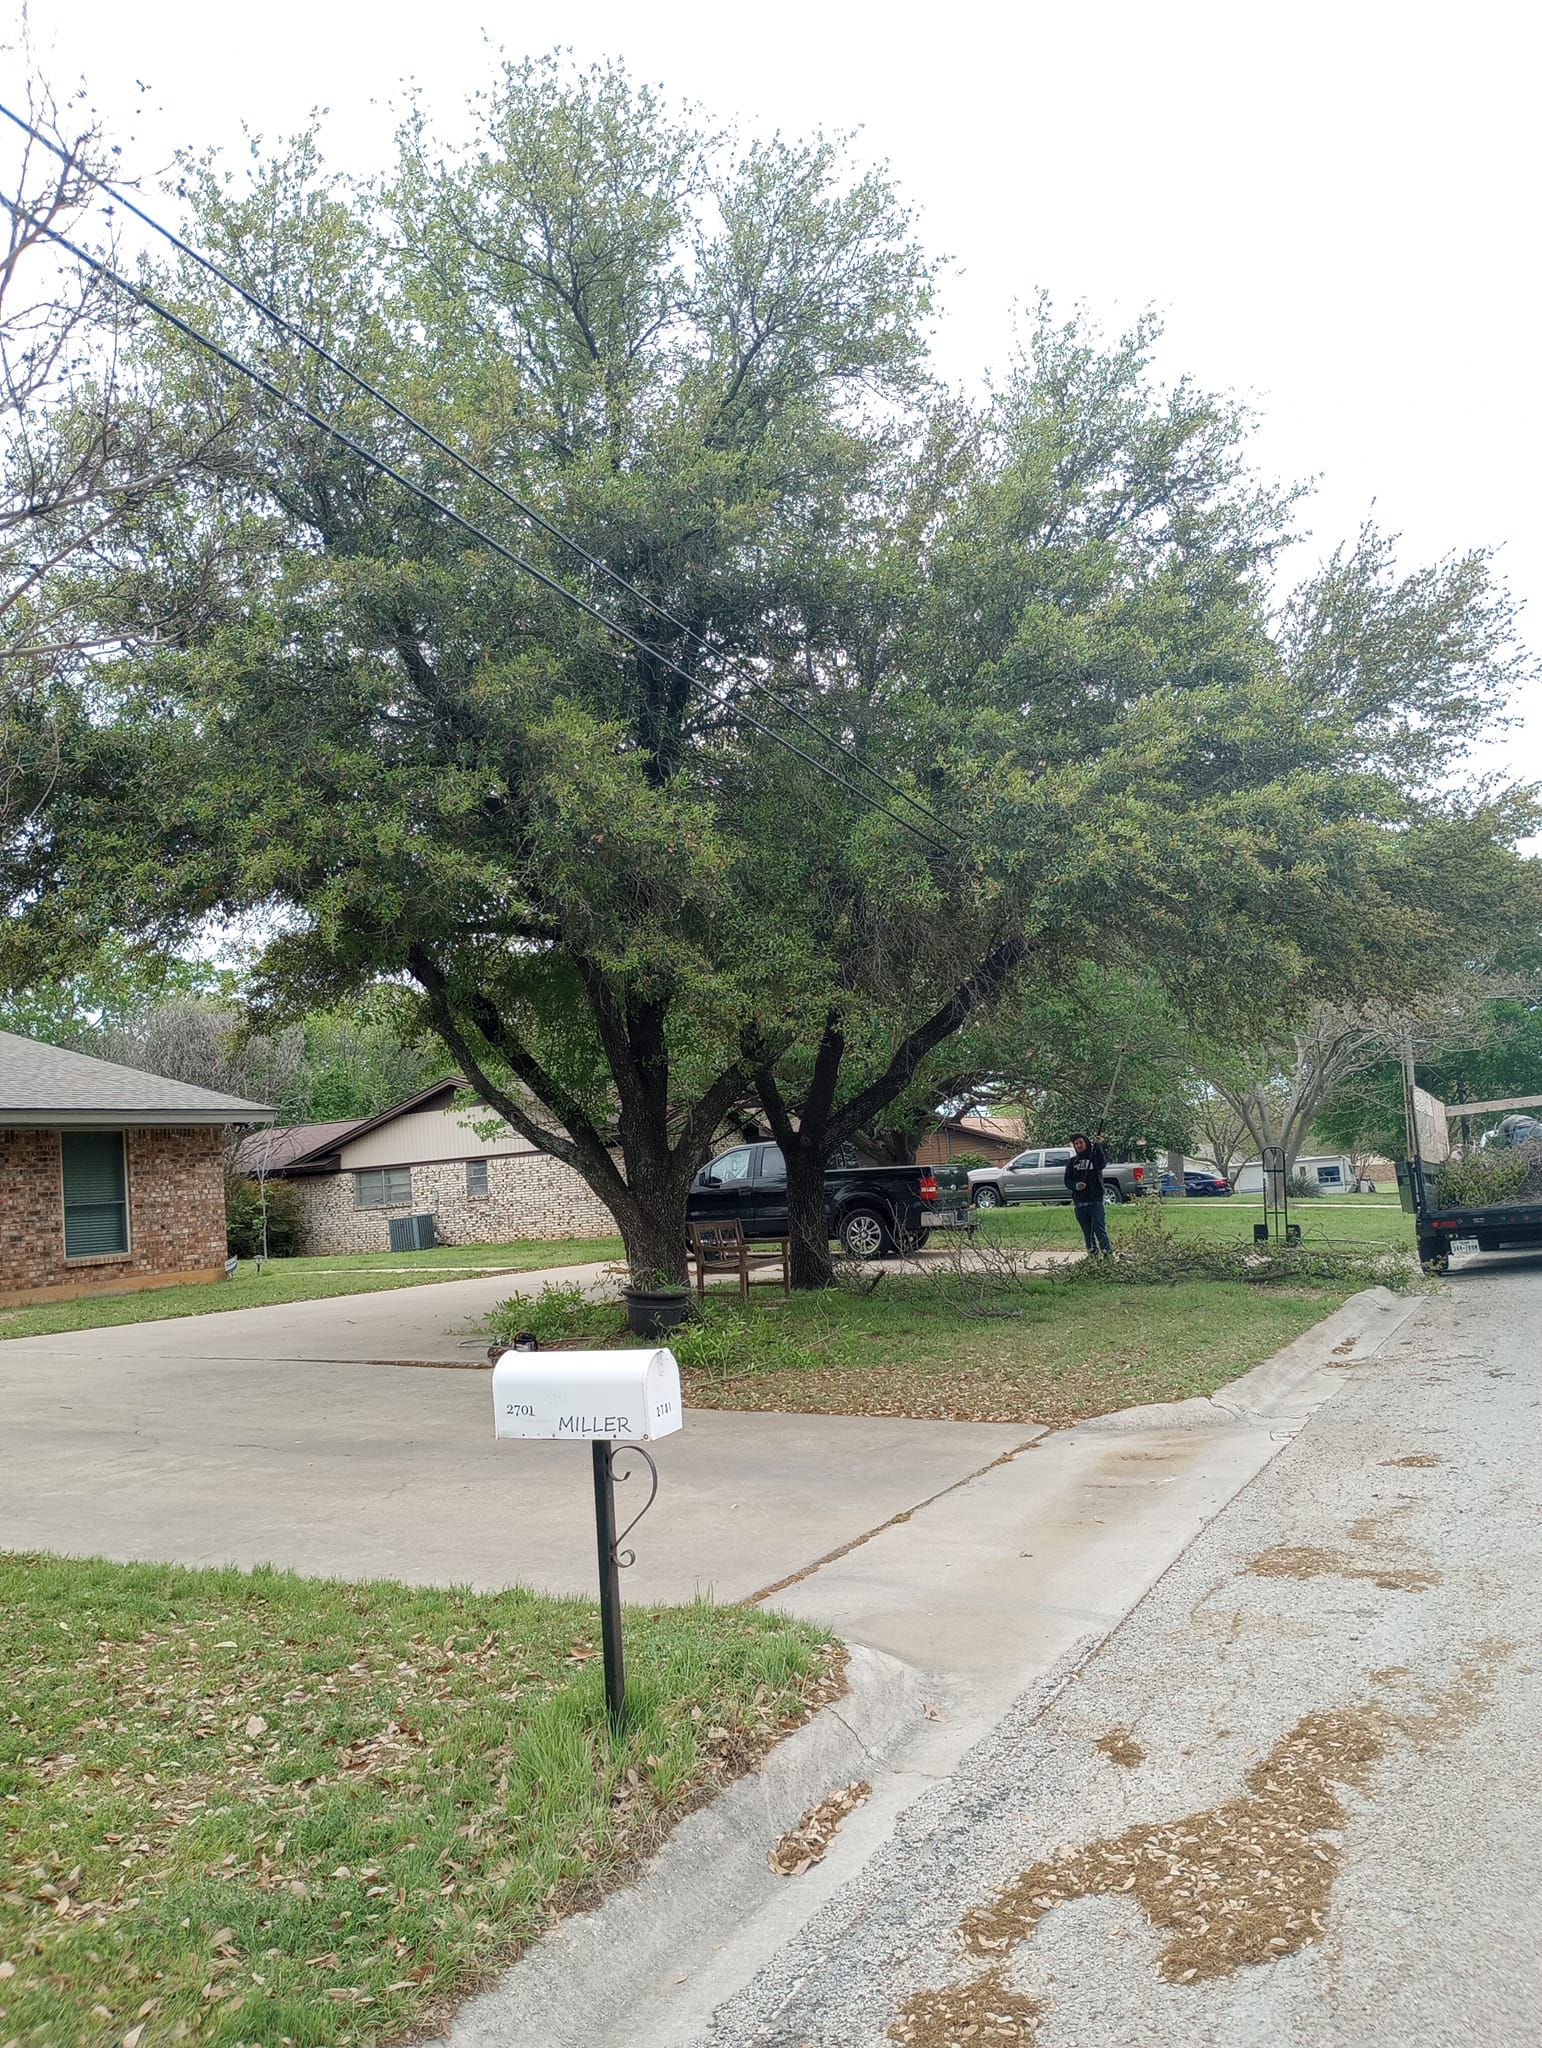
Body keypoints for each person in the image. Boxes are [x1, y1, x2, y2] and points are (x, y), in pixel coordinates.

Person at [1064, 1133, 1113, 1256]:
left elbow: (1102, 1164)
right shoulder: (1072, 1162)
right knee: (1087, 1232)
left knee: (1100, 1230)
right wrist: (1076, 1186)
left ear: (1086, 1143)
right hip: (1080, 1203)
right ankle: (1092, 1255)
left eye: (1081, 1142)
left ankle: (1108, 1255)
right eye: (1076, 1144)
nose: (1079, 1145)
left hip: (1095, 1201)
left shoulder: (1095, 1158)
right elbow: (1067, 1181)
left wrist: (1098, 1146)